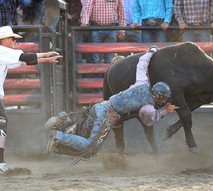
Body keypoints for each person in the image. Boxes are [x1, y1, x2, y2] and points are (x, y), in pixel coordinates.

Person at [44, 46, 178, 159]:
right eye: (164, 99)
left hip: (99, 107)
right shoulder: (147, 107)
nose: (165, 101)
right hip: (107, 116)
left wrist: (152, 51)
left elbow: (142, 63)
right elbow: (150, 120)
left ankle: (65, 119)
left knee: (82, 132)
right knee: (89, 148)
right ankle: (59, 137)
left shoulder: (142, 82)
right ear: (158, 97)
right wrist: (165, 110)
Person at [0, 26, 63, 173]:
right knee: (1, 127)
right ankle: (0, 163)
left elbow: (24, 62)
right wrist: (46, 54)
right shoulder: (2, 51)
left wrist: (46, 59)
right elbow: (24, 58)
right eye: (11, 38)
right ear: (3, 39)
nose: (14, 41)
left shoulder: (4, 55)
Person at [80, 0, 126, 64]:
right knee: (96, 58)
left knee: (110, 59)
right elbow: (87, 8)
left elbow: (121, 13)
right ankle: (98, 73)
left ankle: (107, 74)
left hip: (111, 28)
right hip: (96, 28)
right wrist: (85, 21)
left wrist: (122, 30)